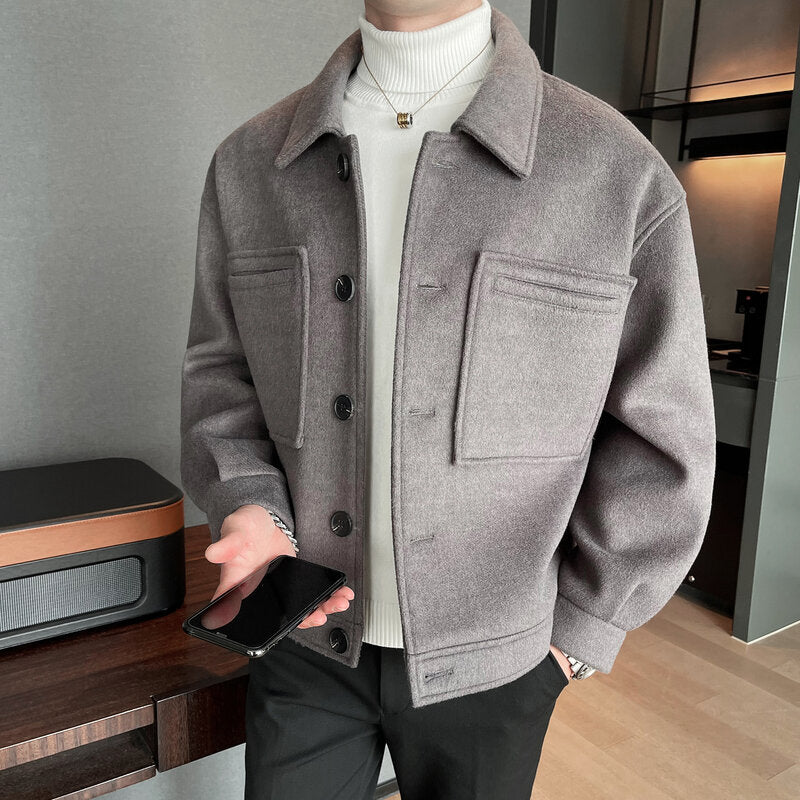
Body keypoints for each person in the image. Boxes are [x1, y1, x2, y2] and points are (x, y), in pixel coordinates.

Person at [180, 1, 716, 798]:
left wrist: (579, 635)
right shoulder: (250, 163)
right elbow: (222, 377)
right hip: (305, 646)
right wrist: (251, 506)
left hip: (499, 666)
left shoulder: (615, 169)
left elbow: (663, 436)